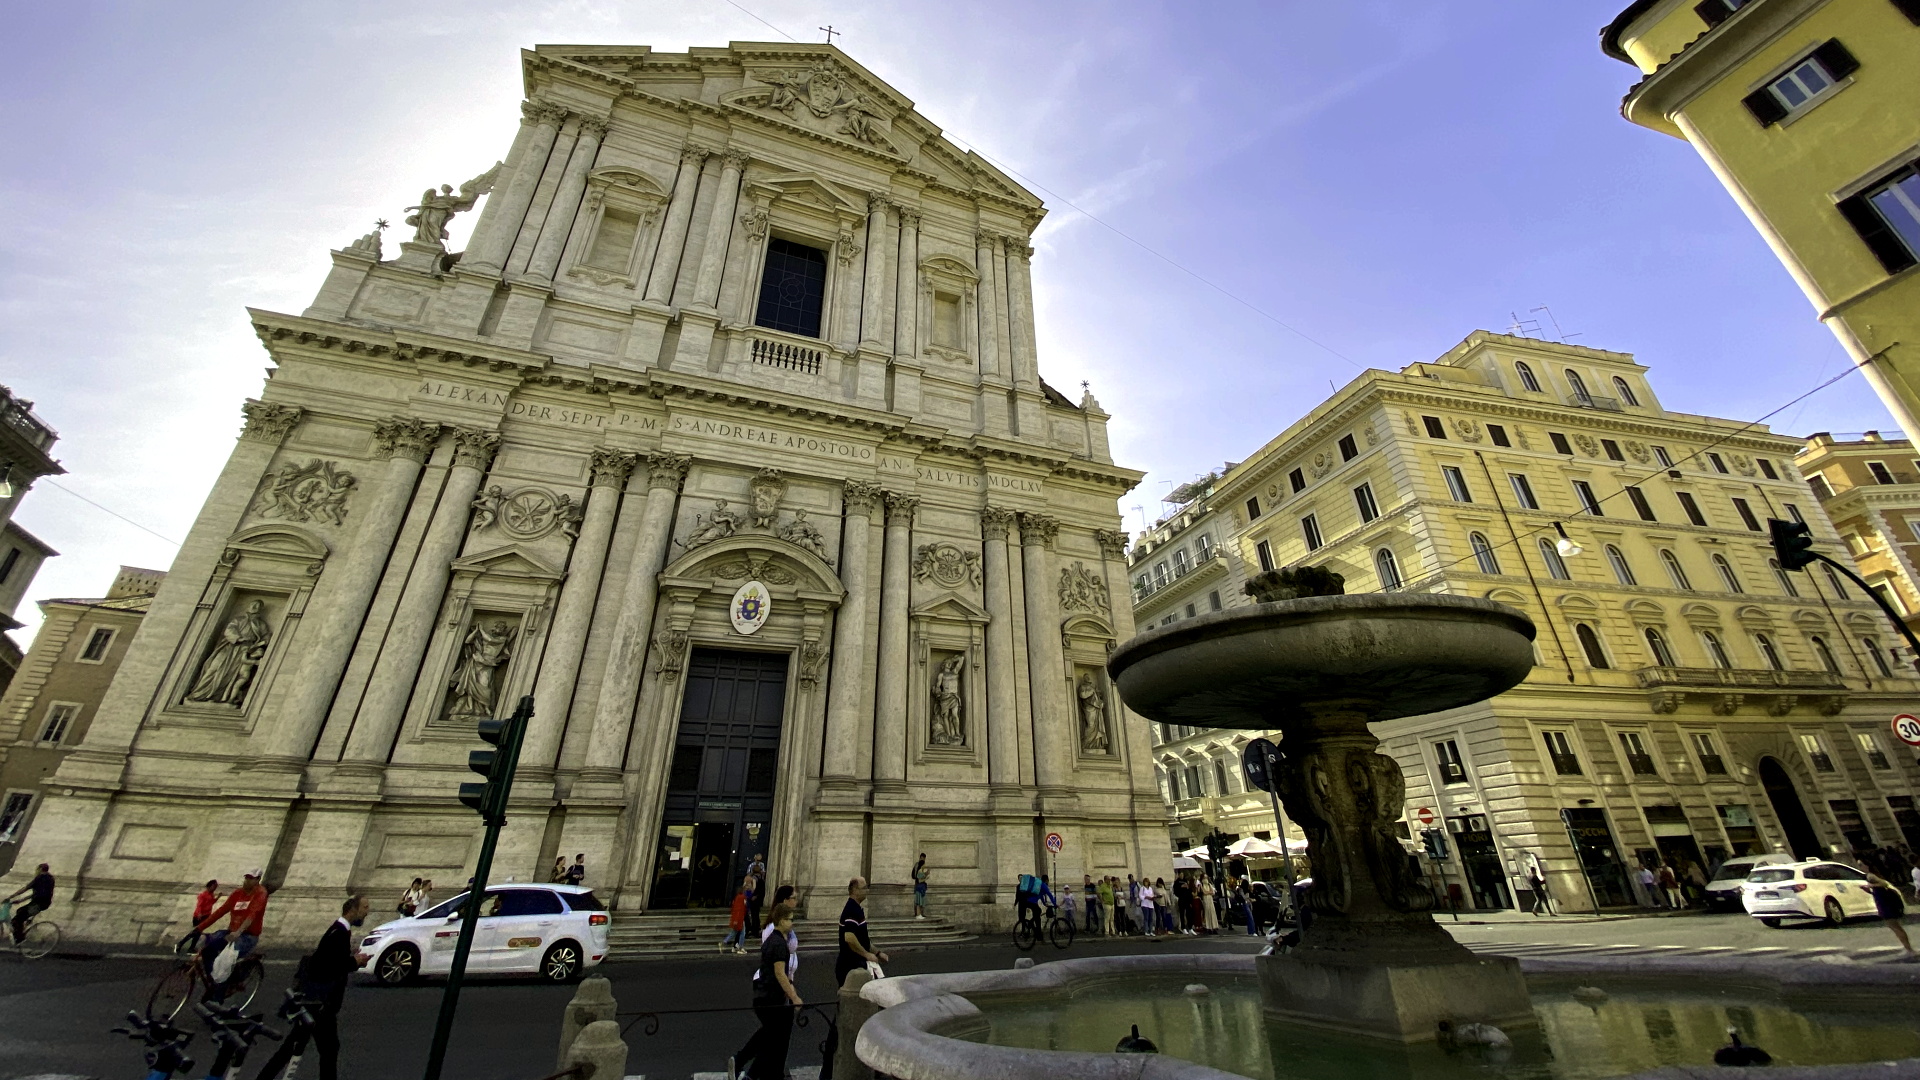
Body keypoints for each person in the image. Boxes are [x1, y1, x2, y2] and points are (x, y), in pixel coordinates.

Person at [251, 895, 368, 1080]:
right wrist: (355, 961)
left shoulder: (337, 931)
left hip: (316, 1001)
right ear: (352, 909)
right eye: (364, 907)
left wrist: (352, 960)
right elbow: (332, 966)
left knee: (298, 1047)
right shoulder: (339, 933)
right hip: (321, 1003)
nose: (367, 911)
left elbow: (328, 961)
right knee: (327, 1049)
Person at [735, 903, 804, 1080]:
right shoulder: (779, 944)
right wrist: (794, 996)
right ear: (781, 921)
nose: (792, 923)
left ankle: (749, 1068)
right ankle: (748, 1071)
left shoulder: (771, 940)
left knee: (770, 1038)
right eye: (790, 920)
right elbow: (780, 973)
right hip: (772, 997)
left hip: (763, 994)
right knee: (772, 1040)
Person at [192, 868, 269, 993]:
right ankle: (214, 980)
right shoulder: (237, 894)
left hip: (247, 936)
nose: (247, 881)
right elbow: (219, 912)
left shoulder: (260, 893)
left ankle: (220, 991)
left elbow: (252, 915)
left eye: (251, 878)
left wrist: (238, 932)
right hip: (231, 932)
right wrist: (198, 928)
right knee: (207, 948)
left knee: (226, 959)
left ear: (258, 880)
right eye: (247, 877)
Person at [834, 878, 888, 989]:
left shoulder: (856, 908)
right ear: (855, 890)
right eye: (864, 888)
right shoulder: (852, 909)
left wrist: (878, 953)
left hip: (855, 964)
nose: (867, 890)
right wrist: (866, 954)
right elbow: (849, 938)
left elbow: (864, 940)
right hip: (851, 965)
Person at [1866, 872, 1915, 955]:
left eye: (1861, 864)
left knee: (1896, 927)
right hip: (1883, 906)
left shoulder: (1871, 875)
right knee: (1895, 927)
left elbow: (1884, 883)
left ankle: (1908, 948)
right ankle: (1907, 947)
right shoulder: (1873, 877)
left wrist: (1871, 885)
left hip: (1885, 906)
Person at [6, 862, 53, 944]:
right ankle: (23, 929)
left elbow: (25, 889)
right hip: (44, 903)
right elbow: (36, 894)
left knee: (17, 919)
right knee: (21, 912)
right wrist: (21, 900)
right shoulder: (51, 878)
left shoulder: (39, 878)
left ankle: (20, 938)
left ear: (40, 869)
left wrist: (11, 896)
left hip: (37, 904)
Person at [187, 880, 221, 950]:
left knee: (198, 932)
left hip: (206, 915)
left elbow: (211, 902)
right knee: (196, 932)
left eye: (216, 886)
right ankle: (189, 946)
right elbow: (199, 905)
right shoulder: (203, 895)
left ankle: (189, 946)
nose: (215, 888)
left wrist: (218, 898)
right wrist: (199, 913)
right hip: (199, 916)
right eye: (214, 886)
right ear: (210, 886)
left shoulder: (211, 894)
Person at [722, 883, 750, 954]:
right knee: (742, 933)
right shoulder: (743, 897)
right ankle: (740, 947)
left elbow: (735, 908)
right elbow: (742, 908)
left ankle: (725, 942)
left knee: (734, 932)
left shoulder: (737, 897)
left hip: (737, 917)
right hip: (740, 918)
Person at [912, 854, 930, 920]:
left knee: (921, 900)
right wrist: (925, 874)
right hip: (919, 884)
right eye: (923, 858)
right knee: (919, 900)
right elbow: (916, 875)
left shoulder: (918, 865)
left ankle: (920, 913)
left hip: (920, 884)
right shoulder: (919, 865)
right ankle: (918, 914)